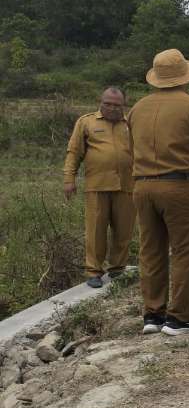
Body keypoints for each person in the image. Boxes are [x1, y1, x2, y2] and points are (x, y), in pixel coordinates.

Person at [128, 49, 189, 337]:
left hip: (142, 186)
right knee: (186, 250)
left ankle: (153, 314)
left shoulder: (137, 108)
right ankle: (179, 318)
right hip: (178, 185)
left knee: (151, 250)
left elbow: (131, 148)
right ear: (185, 76)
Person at [63, 87, 135, 288]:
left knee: (124, 230)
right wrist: (69, 179)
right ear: (100, 102)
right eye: (107, 104)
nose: (112, 108)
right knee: (96, 231)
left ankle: (118, 268)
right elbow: (74, 152)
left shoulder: (131, 123)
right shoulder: (86, 122)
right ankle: (94, 271)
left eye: (117, 105)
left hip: (127, 185)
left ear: (124, 105)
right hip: (97, 185)